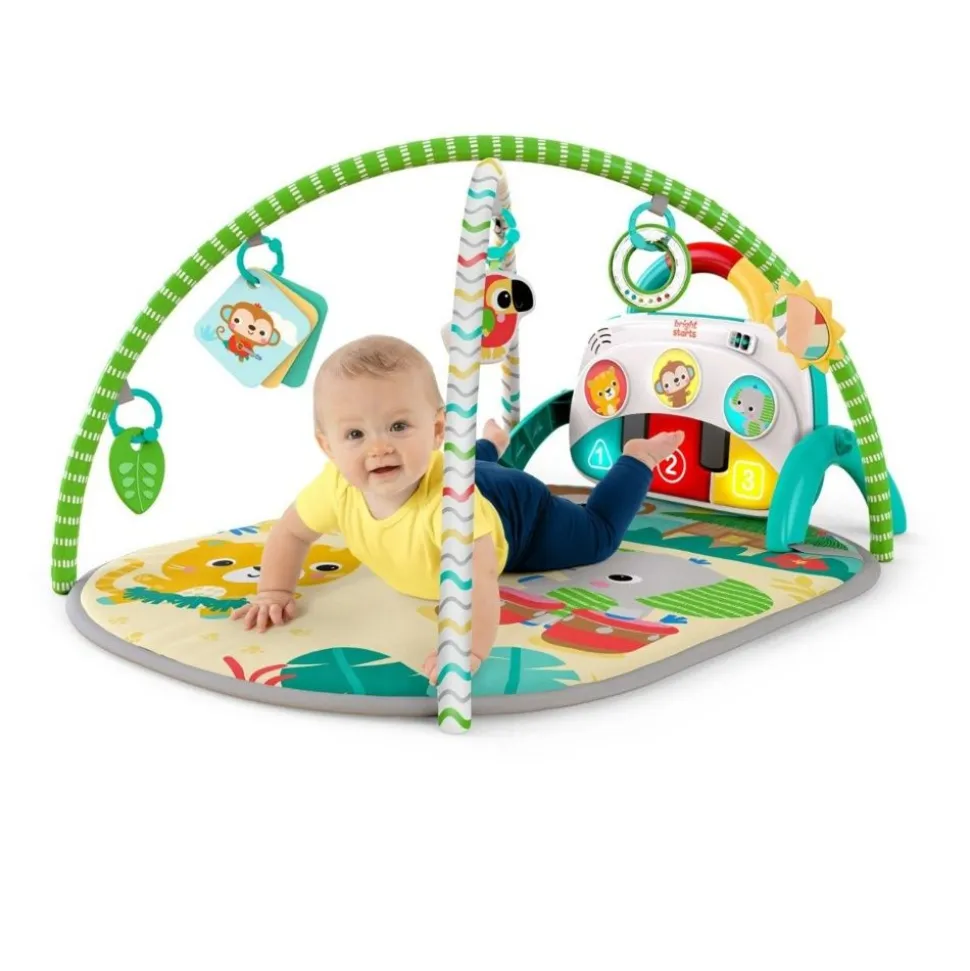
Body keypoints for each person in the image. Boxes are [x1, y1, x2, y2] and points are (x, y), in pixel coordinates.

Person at [232, 335, 684, 681]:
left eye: (398, 426)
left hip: (519, 514)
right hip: (461, 470)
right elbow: (291, 533)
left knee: (597, 537)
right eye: (355, 435)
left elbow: (480, 586)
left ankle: (637, 459)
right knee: (466, 466)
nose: (379, 447)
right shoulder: (335, 488)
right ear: (327, 446)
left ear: (437, 430)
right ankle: (489, 447)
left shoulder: (456, 511)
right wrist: (273, 592)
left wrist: (468, 648)